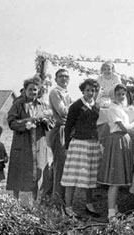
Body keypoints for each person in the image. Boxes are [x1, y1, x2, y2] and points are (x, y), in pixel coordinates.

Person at [6, 76, 54, 201]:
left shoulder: (43, 105)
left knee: (38, 171)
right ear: (25, 90)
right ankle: (17, 203)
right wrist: (26, 122)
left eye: (35, 90)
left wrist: (45, 121)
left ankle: (36, 202)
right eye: (30, 89)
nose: (33, 92)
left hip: (39, 142)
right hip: (23, 143)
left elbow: (51, 122)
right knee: (20, 171)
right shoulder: (18, 104)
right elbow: (11, 122)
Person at [61, 78, 102, 217]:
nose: (91, 93)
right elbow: (68, 127)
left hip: (93, 145)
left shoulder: (97, 106)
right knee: (72, 177)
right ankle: (68, 207)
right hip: (78, 144)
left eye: (93, 90)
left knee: (90, 176)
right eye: (88, 90)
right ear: (83, 91)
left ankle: (88, 205)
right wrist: (66, 146)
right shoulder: (76, 106)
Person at [97, 83, 134, 219]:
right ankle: (111, 213)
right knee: (115, 180)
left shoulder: (120, 108)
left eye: (123, 94)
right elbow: (125, 128)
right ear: (112, 95)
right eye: (118, 94)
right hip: (117, 140)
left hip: (123, 140)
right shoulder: (112, 109)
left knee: (119, 178)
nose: (121, 96)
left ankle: (115, 209)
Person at [48, 69, 72, 203]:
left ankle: (52, 196)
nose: (64, 79)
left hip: (67, 129)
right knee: (60, 165)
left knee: (63, 165)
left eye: (66, 76)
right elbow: (63, 111)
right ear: (56, 79)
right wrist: (76, 107)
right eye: (61, 76)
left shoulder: (66, 93)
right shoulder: (55, 92)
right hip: (59, 129)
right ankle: (57, 200)